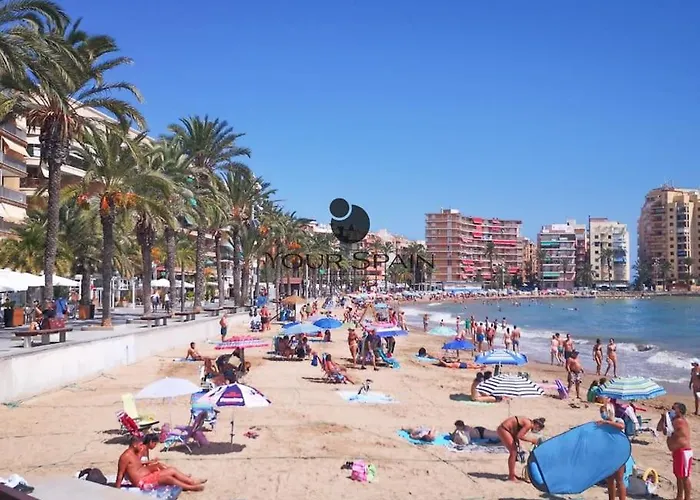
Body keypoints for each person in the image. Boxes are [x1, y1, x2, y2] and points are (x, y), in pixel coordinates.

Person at [115, 436, 206, 491]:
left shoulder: (134, 453)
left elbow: (137, 466)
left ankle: (192, 481)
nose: (142, 446)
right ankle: (190, 487)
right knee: (168, 478)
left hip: (148, 476)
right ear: (134, 445)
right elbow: (120, 474)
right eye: (140, 445)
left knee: (171, 470)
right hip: (142, 482)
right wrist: (117, 491)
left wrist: (150, 463)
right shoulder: (125, 457)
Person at [656, 402, 692, 500]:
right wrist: (663, 418)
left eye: (673, 408)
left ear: (679, 411)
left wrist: (666, 418)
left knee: (684, 477)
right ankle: (679, 497)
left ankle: (687, 498)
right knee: (678, 476)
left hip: (683, 452)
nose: (671, 410)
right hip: (677, 452)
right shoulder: (673, 420)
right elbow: (659, 428)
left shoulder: (679, 421)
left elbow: (666, 431)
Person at [496, 416, 546, 481]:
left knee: (515, 451)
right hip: (504, 429)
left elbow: (516, 431)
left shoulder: (528, 421)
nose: (536, 431)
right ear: (537, 425)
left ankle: (512, 474)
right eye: (538, 429)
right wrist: (532, 440)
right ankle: (511, 476)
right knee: (513, 452)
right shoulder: (528, 424)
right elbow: (519, 436)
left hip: (506, 430)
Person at [596, 400, 627, 500]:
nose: (602, 414)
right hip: (608, 454)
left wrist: (607, 422)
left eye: (603, 412)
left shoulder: (618, 420)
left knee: (619, 480)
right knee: (610, 479)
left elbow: (621, 427)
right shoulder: (603, 424)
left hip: (619, 454)